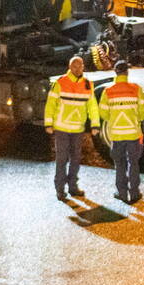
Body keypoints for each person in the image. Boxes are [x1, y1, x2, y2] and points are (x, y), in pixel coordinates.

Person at [44, 55, 99, 201]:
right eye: (75, 66)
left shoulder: (88, 84)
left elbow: (92, 106)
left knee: (75, 159)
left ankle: (73, 187)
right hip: (62, 128)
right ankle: (60, 189)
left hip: (77, 129)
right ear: (69, 67)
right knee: (61, 159)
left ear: (83, 67)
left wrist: (95, 124)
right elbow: (51, 104)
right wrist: (48, 124)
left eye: (80, 66)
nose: (78, 68)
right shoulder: (60, 83)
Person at [98, 60, 144, 204]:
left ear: (115, 72)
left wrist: (113, 119)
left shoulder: (107, 91)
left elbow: (103, 113)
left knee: (119, 164)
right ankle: (134, 193)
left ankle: (121, 193)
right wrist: (136, 119)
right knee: (133, 163)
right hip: (133, 134)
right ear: (127, 72)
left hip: (116, 135)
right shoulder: (136, 89)